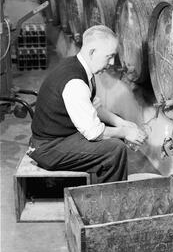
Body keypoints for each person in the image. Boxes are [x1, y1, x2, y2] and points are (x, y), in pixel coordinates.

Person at [27, 25, 147, 183]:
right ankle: (107, 201)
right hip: (48, 148)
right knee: (114, 150)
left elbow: (94, 109)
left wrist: (121, 122)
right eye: (109, 56)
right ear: (92, 52)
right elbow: (94, 133)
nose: (111, 62)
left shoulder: (79, 67)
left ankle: (103, 180)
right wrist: (125, 133)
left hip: (62, 136)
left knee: (115, 123)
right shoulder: (75, 82)